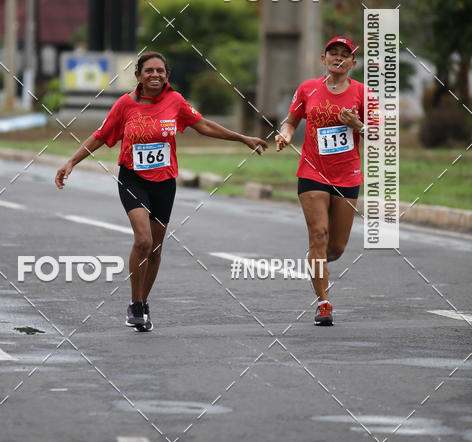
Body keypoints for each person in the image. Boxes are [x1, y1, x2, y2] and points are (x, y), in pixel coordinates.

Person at [55, 51, 268, 332]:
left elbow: (202, 125)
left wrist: (242, 138)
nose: (155, 75)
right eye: (149, 71)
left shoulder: (175, 101)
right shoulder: (124, 105)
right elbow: (100, 136)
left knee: (155, 248)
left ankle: (143, 303)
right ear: (138, 76)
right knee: (142, 240)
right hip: (133, 178)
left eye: (160, 71)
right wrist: (71, 161)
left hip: (165, 182)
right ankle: (135, 303)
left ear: (167, 75)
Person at [275, 37, 374, 327]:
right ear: (324, 59)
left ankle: (315, 260)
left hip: (347, 175)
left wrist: (357, 126)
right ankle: (324, 303)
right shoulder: (308, 89)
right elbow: (291, 121)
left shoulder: (364, 94)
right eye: (334, 53)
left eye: (345, 55)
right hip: (312, 172)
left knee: (336, 248)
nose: (339, 58)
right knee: (318, 235)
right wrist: (286, 135)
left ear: (353, 63)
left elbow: (382, 137)